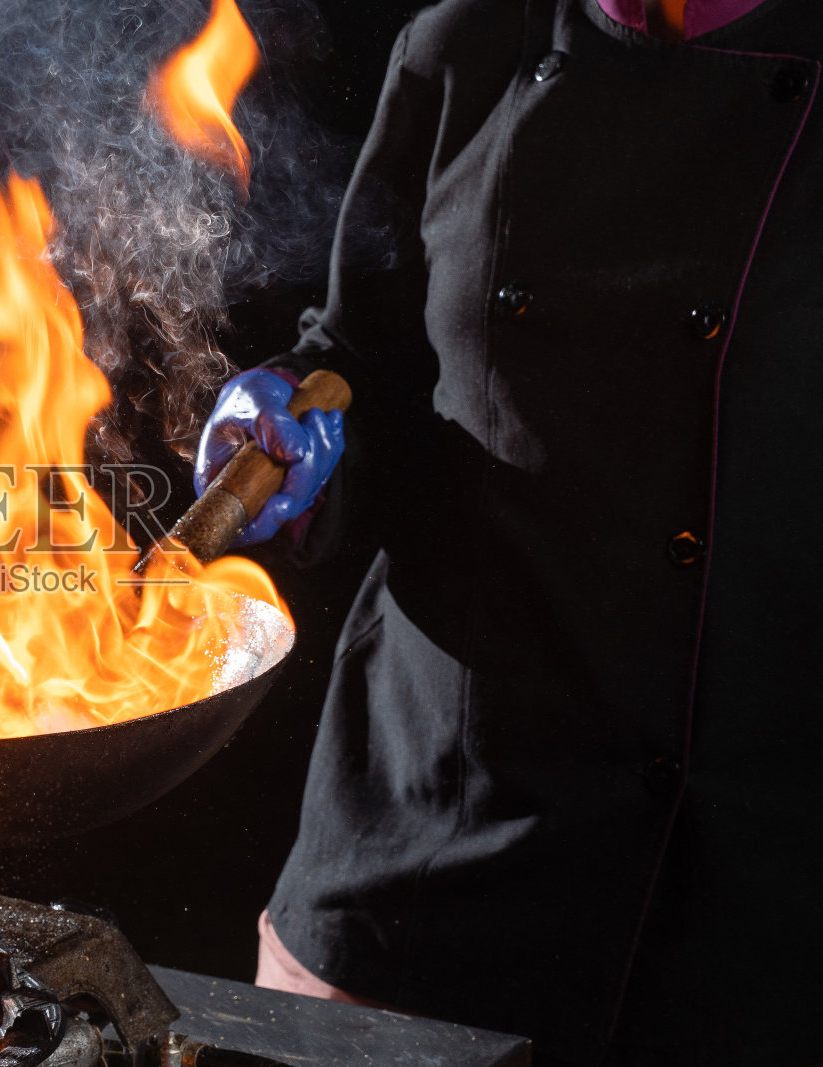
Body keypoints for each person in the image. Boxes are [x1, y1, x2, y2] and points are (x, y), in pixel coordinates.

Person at [194, 0, 823, 1063]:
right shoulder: (469, 43)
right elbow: (363, 355)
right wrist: (292, 414)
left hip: (732, 907)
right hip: (416, 859)